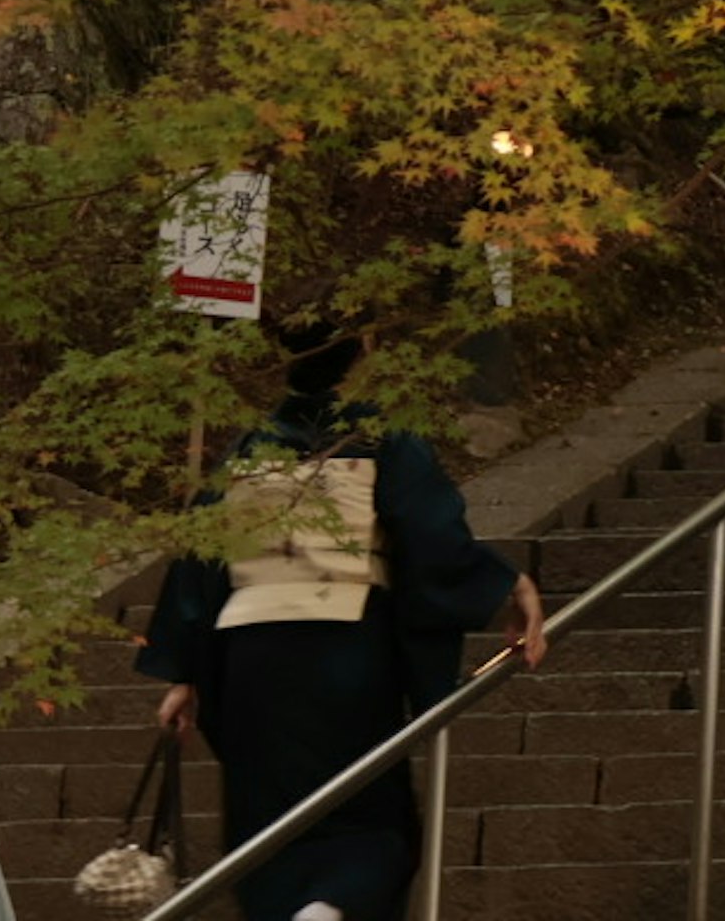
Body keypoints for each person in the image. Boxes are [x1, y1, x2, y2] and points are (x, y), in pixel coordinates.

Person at [141, 319, 549, 921]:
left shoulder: (247, 451)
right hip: (345, 650)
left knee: (267, 817)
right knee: (367, 812)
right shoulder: (381, 440)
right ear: (361, 355)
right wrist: (511, 583)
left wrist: (186, 673)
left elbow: (201, 562)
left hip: (250, 657)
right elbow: (434, 539)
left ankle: (295, 907)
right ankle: (332, 906)